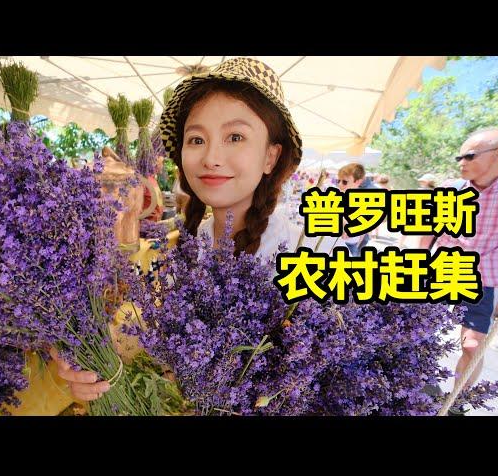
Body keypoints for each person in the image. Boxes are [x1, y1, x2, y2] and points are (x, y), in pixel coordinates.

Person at [50, 57, 342, 402]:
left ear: (271, 157)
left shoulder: (308, 254)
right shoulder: (180, 248)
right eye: (197, 139)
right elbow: (140, 350)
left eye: (235, 136)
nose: (211, 157)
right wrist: (89, 367)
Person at [419, 128, 498, 415]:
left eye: (470, 155)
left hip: (486, 281)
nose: (462, 161)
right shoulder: (450, 189)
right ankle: (409, 388)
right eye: (460, 156)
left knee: (471, 347)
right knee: (415, 333)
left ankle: (455, 400)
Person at [336, 163, 379, 256]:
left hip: (350, 246)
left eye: (344, 182)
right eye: (338, 180)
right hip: (336, 243)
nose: (339, 184)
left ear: (358, 182)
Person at [141, 154, 165, 222]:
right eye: (162, 163)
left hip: (155, 223)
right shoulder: (144, 180)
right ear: (155, 164)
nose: (162, 166)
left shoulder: (153, 179)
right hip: (147, 225)